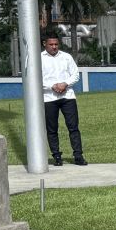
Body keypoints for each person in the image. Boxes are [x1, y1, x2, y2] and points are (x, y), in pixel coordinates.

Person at [40, 35, 86, 166]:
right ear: (45, 44)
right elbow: (35, 77)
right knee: (51, 129)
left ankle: (78, 156)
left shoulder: (66, 57)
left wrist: (65, 84)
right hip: (49, 98)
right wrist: (52, 86)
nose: (54, 47)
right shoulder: (39, 59)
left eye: (56, 44)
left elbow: (75, 74)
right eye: (51, 44)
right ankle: (56, 156)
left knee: (73, 127)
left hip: (68, 97)